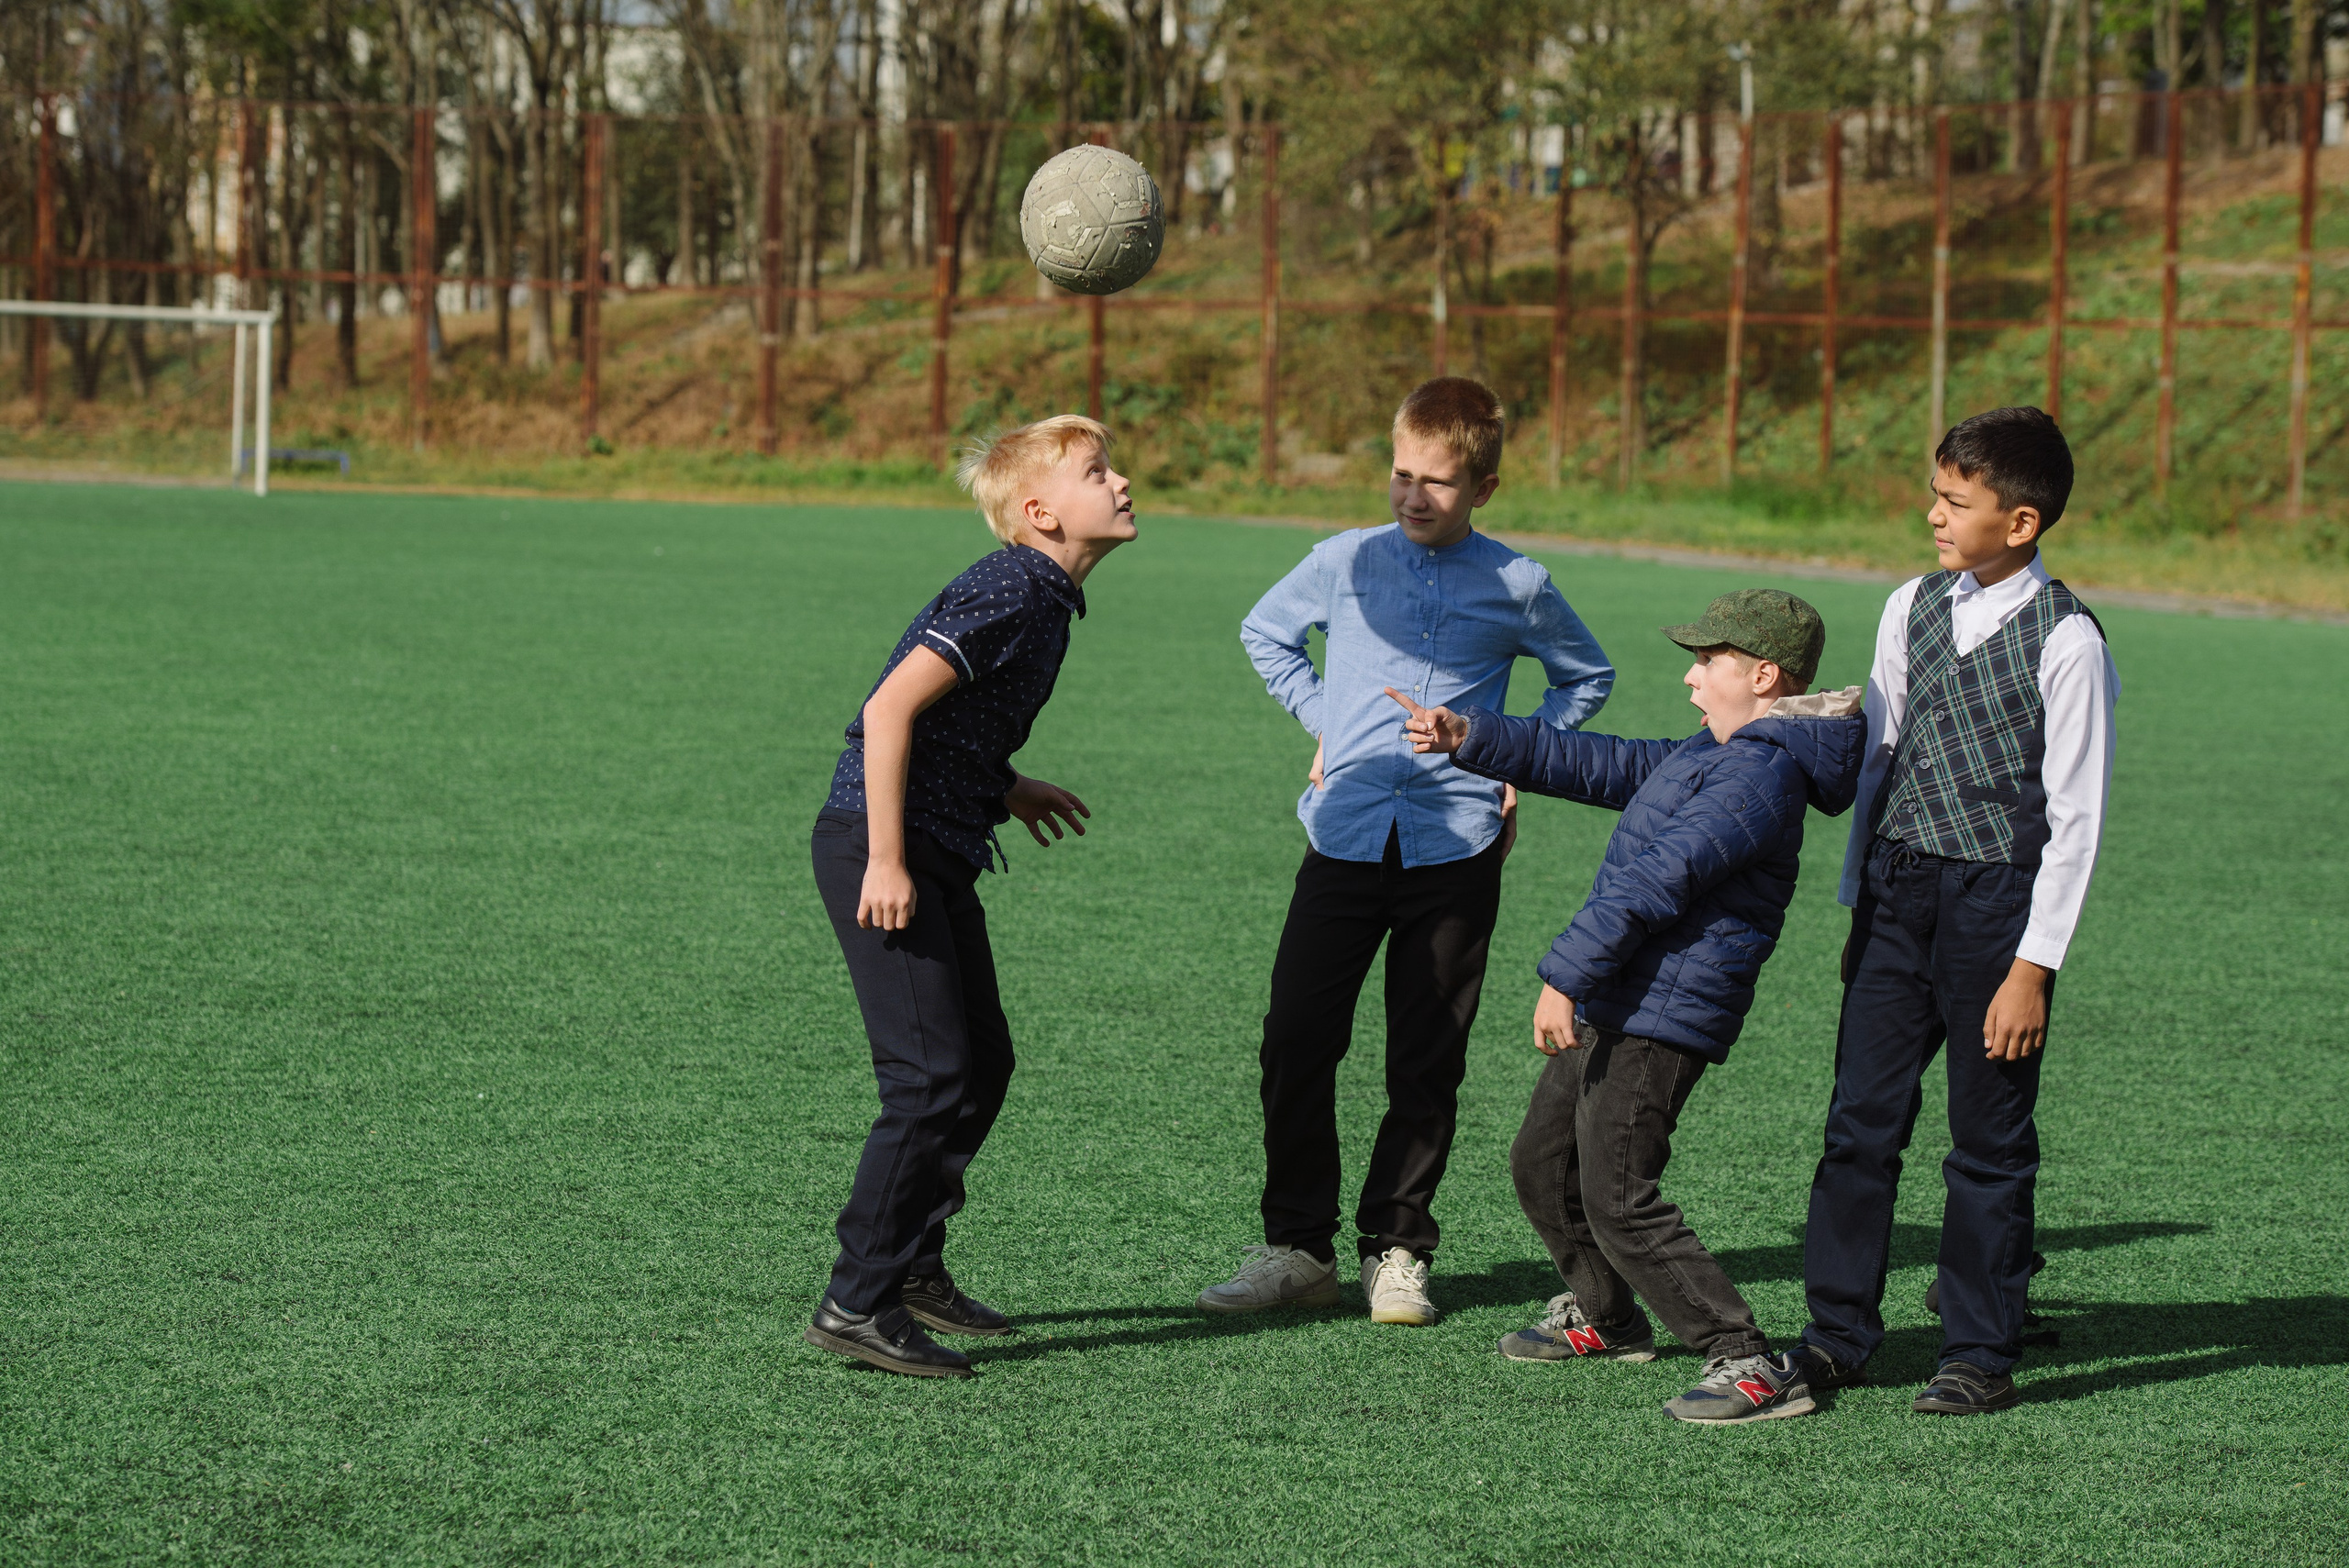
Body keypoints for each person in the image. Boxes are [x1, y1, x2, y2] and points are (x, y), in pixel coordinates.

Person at [1198, 377, 1614, 1327]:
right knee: (1296, 1038)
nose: (1412, 495)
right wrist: (1328, 721)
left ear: (1484, 487)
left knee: (1426, 1058)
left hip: (1455, 848)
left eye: (1437, 480)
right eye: (1400, 474)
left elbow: (1585, 678)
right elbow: (1266, 633)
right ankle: (1298, 1247)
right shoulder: (1343, 560)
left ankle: (1398, 1248)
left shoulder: (1519, 583)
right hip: (1342, 834)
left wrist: (1511, 755)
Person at [1395, 589, 1865, 1423]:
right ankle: (1608, 1316)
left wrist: (1566, 975)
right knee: (1542, 1164)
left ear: (1763, 675)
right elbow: (1602, 763)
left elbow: (1660, 879)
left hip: (1662, 1015)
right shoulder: (1717, 750)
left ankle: (1746, 1358)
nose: (1691, 677)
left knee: (1618, 1193)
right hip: (1626, 996)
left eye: (1707, 660)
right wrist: (1474, 737)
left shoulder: (1759, 773)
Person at [1790, 406, 2119, 1416]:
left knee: (1987, 1141)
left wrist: (2033, 967)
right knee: (1859, 1125)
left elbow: (2077, 819)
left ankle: (1978, 1348)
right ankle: (1836, 1333)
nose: (1932, 514)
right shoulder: (1909, 604)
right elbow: (1881, 760)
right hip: (1895, 897)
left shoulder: (2068, 640)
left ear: (2020, 522)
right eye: (1934, 494)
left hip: (1996, 909)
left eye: (1954, 500)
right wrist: (1857, 899)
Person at [804, 415, 1136, 1379]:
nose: (1121, 482)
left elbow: (951, 725)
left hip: (936, 842)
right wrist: (886, 858)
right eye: (1096, 472)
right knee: (928, 1079)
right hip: (884, 845)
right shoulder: (1014, 583)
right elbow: (888, 710)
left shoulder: (1047, 596)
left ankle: (912, 1265)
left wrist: (1006, 784)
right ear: (1040, 513)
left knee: (981, 1062)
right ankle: (856, 1299)